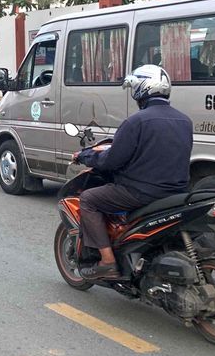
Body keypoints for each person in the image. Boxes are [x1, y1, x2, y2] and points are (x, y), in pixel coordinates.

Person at [74, 64, 193, 281]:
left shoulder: (136, 121)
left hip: (140, 193)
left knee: (89, 199)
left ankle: (107, 261)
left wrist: (85, 156)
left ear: (141, 89)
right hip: (177, 193)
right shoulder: (184, 120)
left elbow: (111, 160)